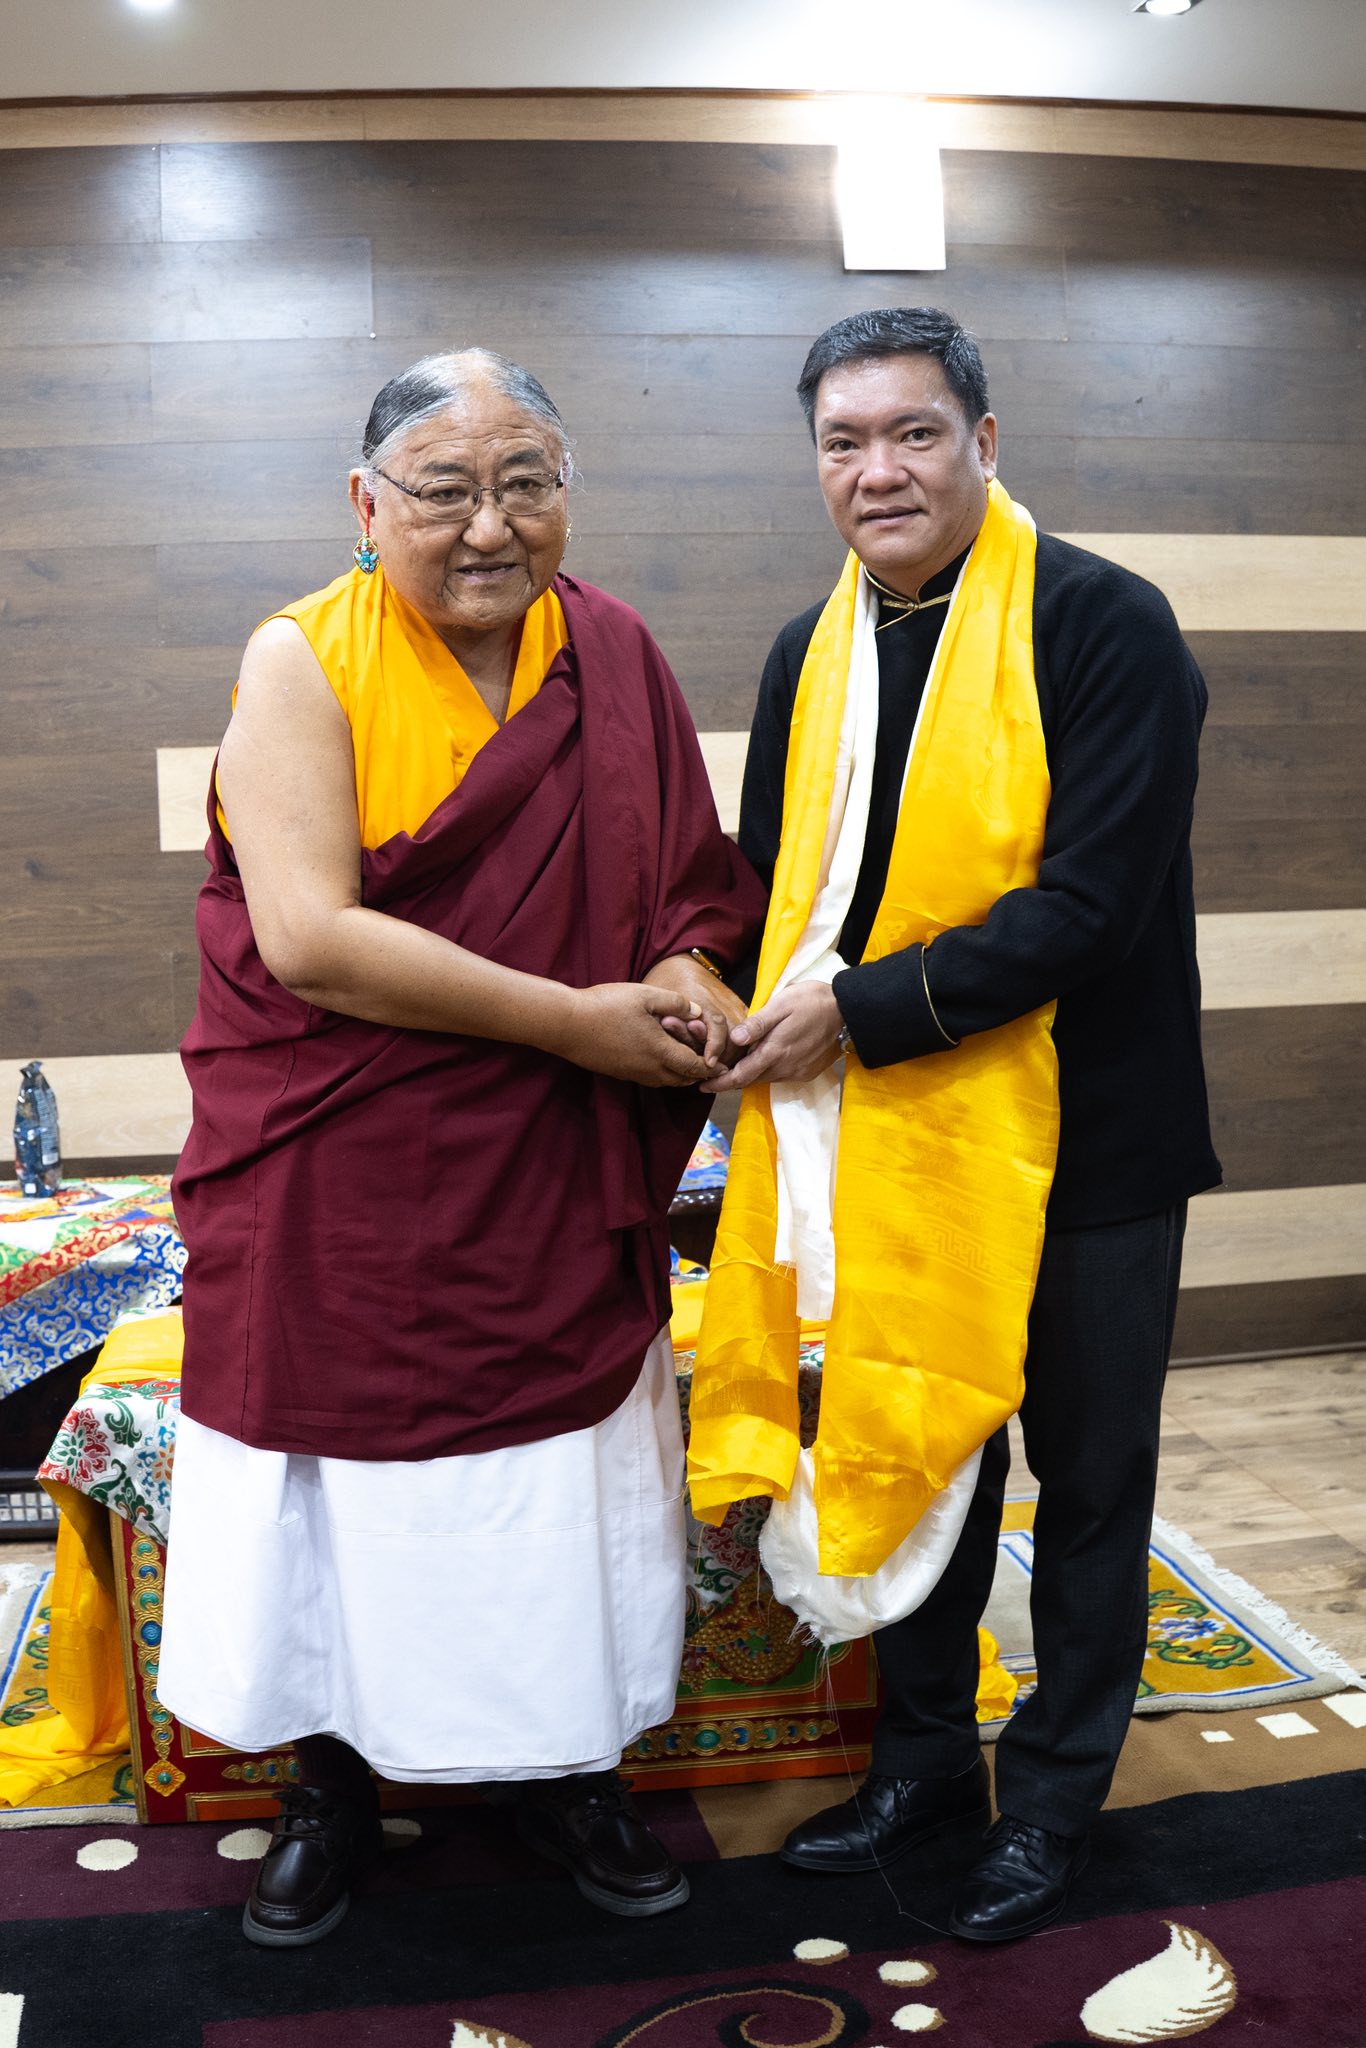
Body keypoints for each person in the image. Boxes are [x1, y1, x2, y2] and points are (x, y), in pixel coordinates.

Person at [159, 349, 763, 1947]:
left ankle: (570, 1767)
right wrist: (577, 1022)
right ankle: (333, 1777)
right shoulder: (304, 656)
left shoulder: (614, 651)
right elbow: (309, 940)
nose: (491, 526)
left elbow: (695, 878)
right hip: (344, 1165)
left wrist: (693, 971)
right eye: (445, 489)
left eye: (528, 483)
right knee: (348, 1494)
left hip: (548, 1177)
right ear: (368, 504)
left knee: (552, 1490)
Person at [688, 307, 1221, 1942]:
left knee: (1087, 1477)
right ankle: (921, 1763)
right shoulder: (811, 648)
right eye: (843, 444)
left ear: (983, 443)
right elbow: (778, 881)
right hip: (877, 1138)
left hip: (1084, 1146)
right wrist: (700, 986)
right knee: (914, 1461)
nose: (877, 471)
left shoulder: (1103, 622)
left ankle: (1051, 1796)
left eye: (910, 434)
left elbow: (1093, 907)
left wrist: (848, 1013)